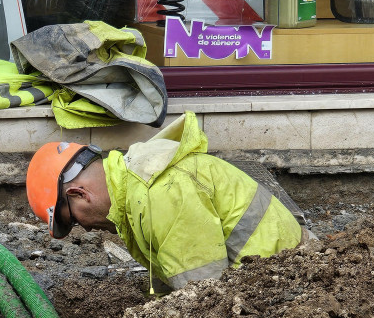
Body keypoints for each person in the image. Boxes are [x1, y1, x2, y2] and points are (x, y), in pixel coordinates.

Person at [26, 111, 304, 291]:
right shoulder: (134, 192)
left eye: (72, 219)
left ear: (79, 194)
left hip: (289, 288)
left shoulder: (159, 194)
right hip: (279, 280)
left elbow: (203, 295)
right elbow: (177, 276)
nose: (84, 229)